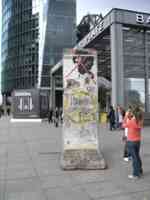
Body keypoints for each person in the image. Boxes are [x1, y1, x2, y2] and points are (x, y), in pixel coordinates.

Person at [123, 106, 143, 180]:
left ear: (133, 113)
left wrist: (125, 116)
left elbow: (123, 125)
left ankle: (135, 174)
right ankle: (140, 170)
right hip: (138, 141)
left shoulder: (132, 121)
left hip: (131, 141)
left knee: (134, 158)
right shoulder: (140, 120)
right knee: (137, 156)